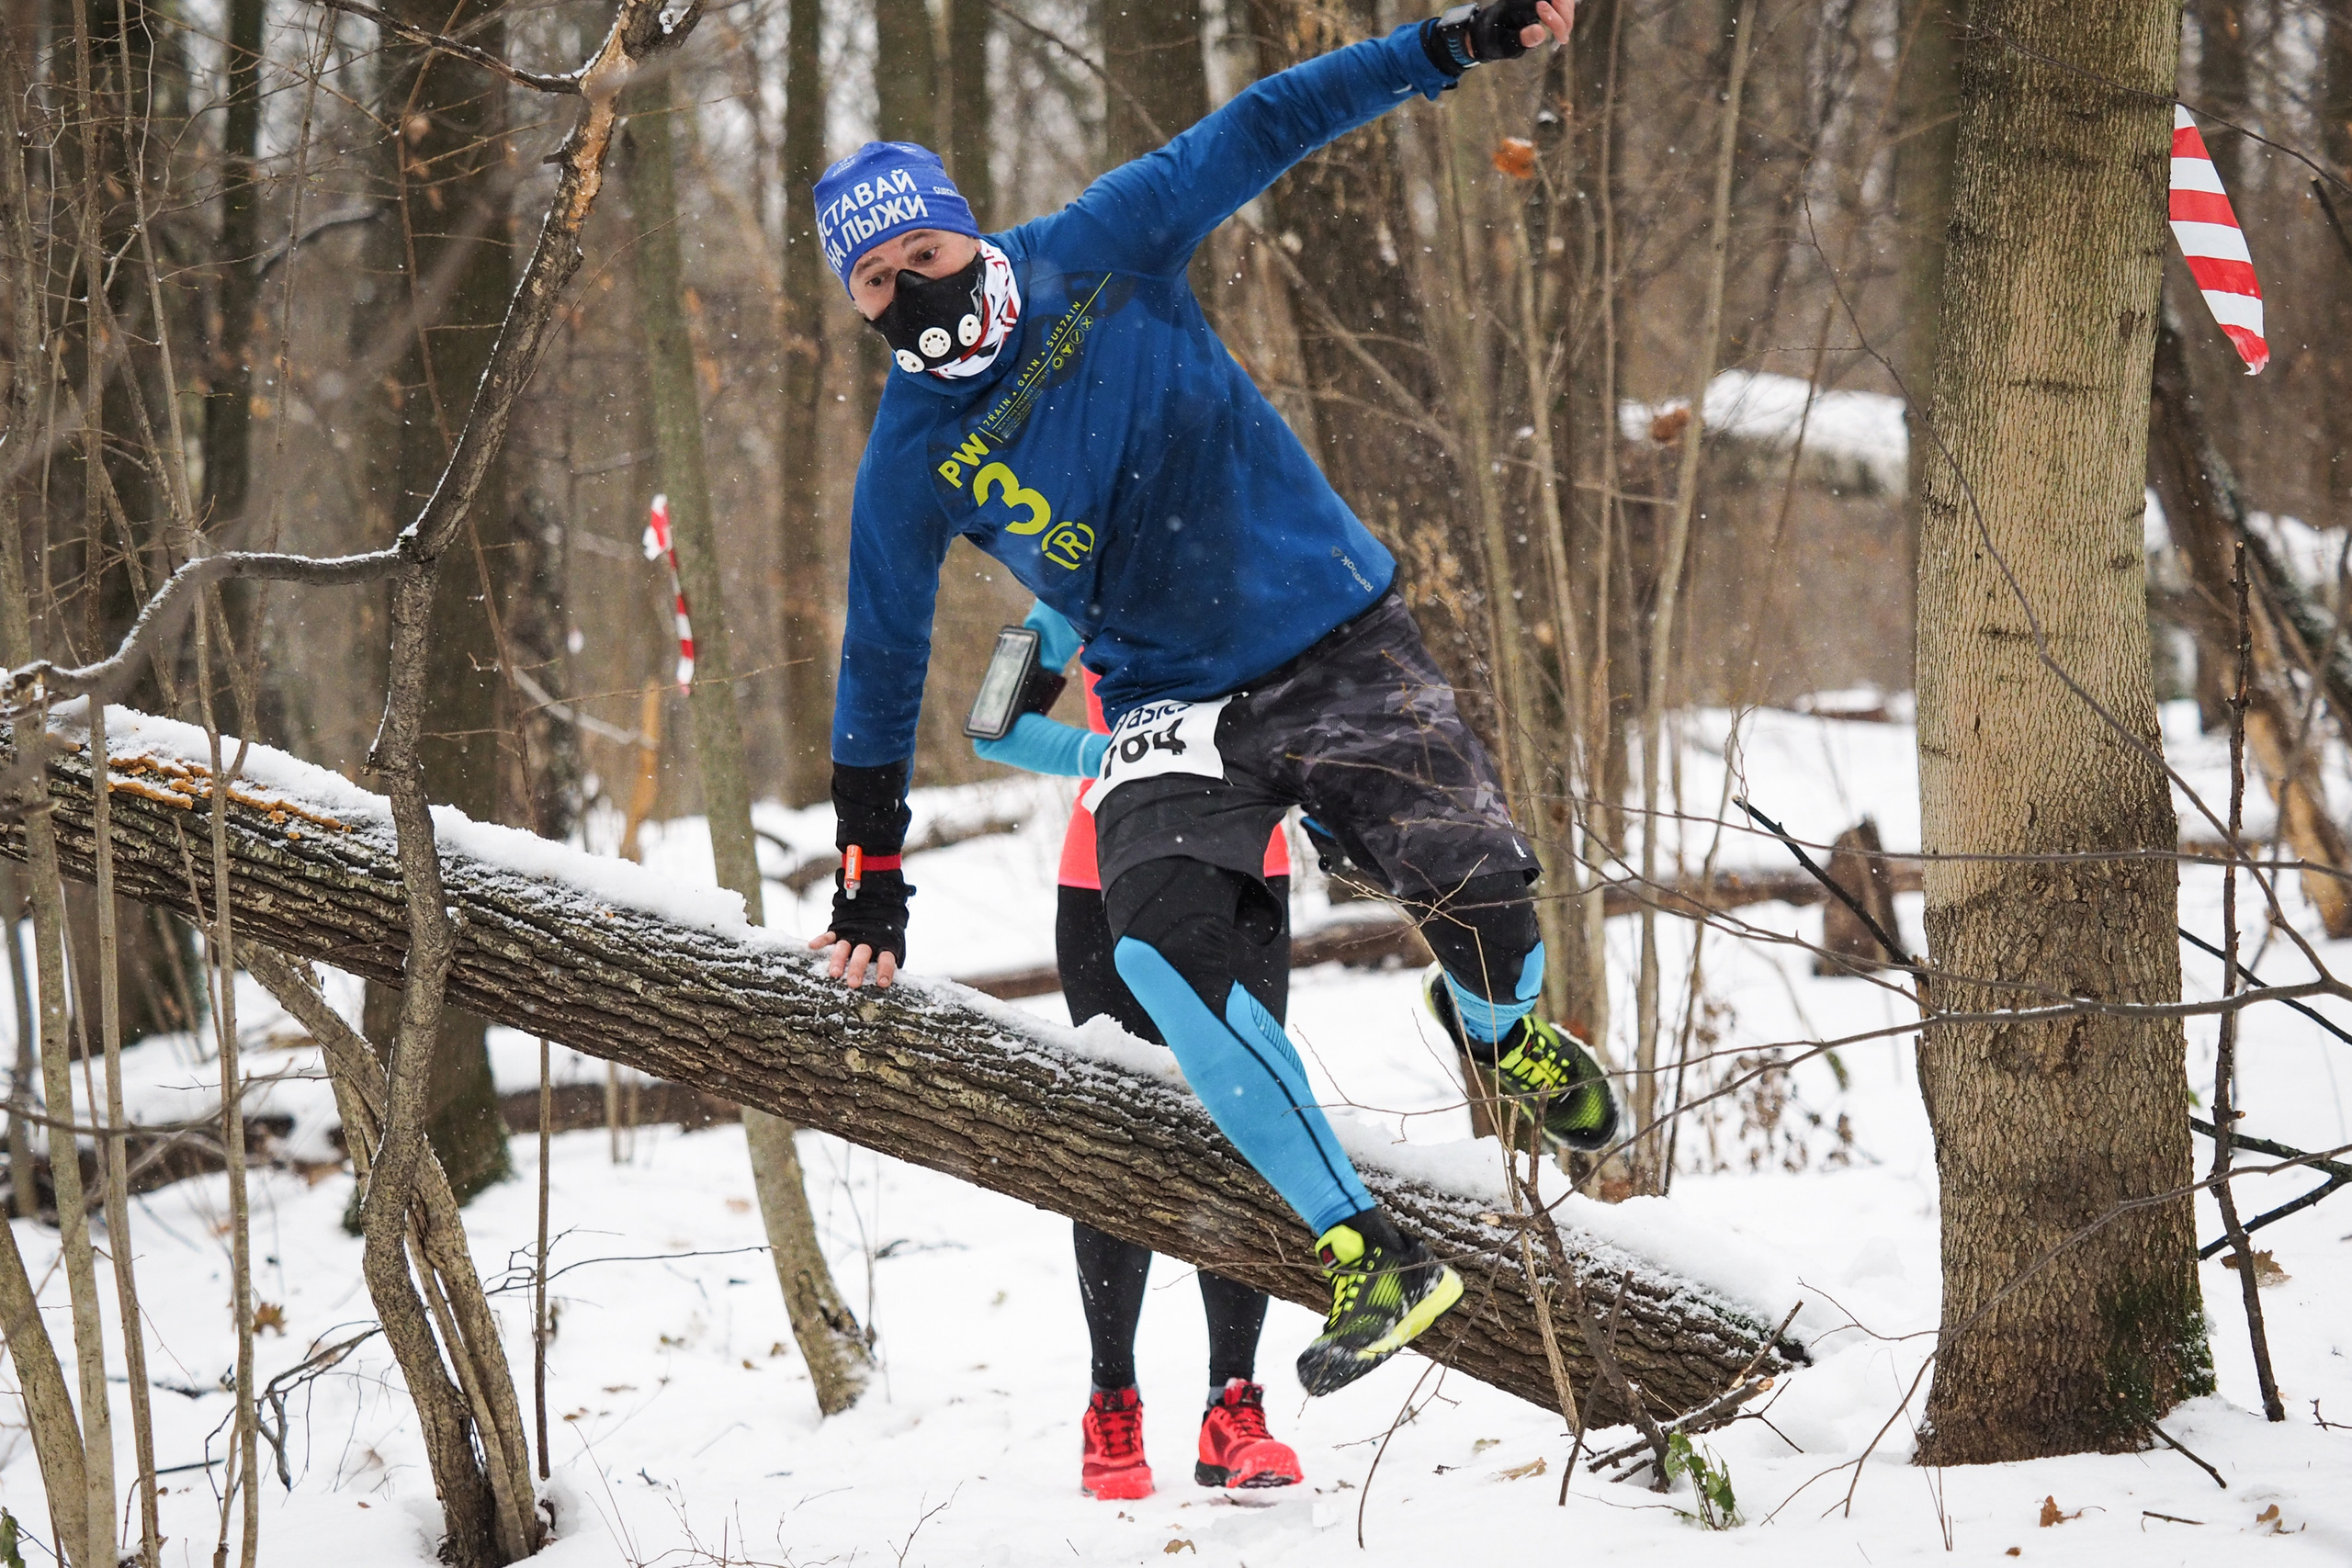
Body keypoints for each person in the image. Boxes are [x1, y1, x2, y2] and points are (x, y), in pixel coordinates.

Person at [808, 0, 1622, 1399]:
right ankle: (1366, 1250)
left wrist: (1454, 44)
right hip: (1170, 707)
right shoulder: (912, 455)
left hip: (1335, 632)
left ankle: (1503, 1032)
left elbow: (1264, 124)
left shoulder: (1102, 246)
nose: (915, 293)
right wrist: (872, 879)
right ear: (859, 303)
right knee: (1165, 957)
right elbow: (881, 659)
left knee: (1480, 890)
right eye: (878, 283)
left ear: (970, 230)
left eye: (926, 255)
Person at [974, 602, 1303, 1499]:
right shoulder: (1071, 591)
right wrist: (1111, 760)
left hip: (1245, 877)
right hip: (1104, 884)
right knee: (1116, 1136)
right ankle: (1111, 1399)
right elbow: (991, 729)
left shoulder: (1271, 576)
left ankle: (1232, 1406)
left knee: (1242, 1130)